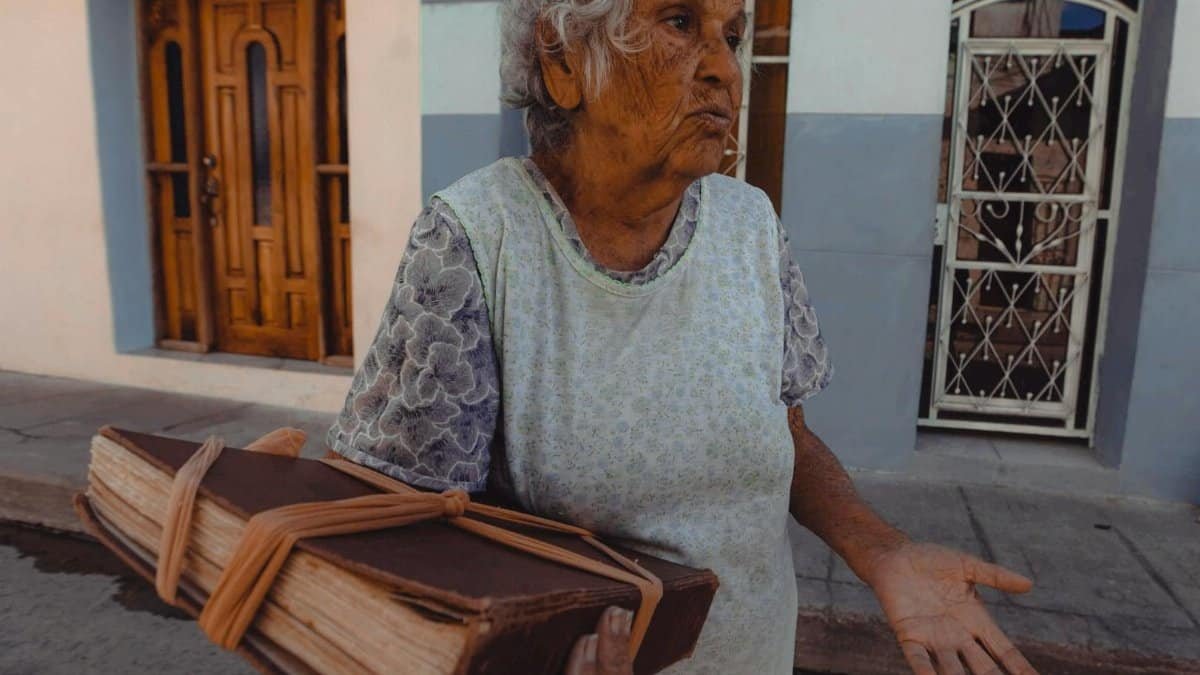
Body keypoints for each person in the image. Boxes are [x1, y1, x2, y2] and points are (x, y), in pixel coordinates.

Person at [320, 1, 1039, 673]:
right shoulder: (476, 240)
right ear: (564, 60)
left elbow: (784, 431)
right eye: (678, 21)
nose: (724, 69)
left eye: (732, 35)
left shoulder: (749, 225)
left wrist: (885, 553)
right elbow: (409, 534)